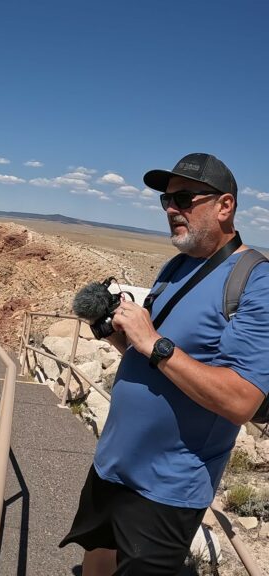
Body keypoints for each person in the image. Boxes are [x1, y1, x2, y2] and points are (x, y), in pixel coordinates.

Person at [59, 153, 269, 575]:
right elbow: (151, 360)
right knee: (96, 560)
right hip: (114, 462)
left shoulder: (255, 281)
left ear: (224, 206)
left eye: (185, 198)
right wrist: (116, 332)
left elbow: (242, 400)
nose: (172, 208)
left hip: (166, 486)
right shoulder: (175, 266)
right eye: (166, 200)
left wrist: (153, 341)